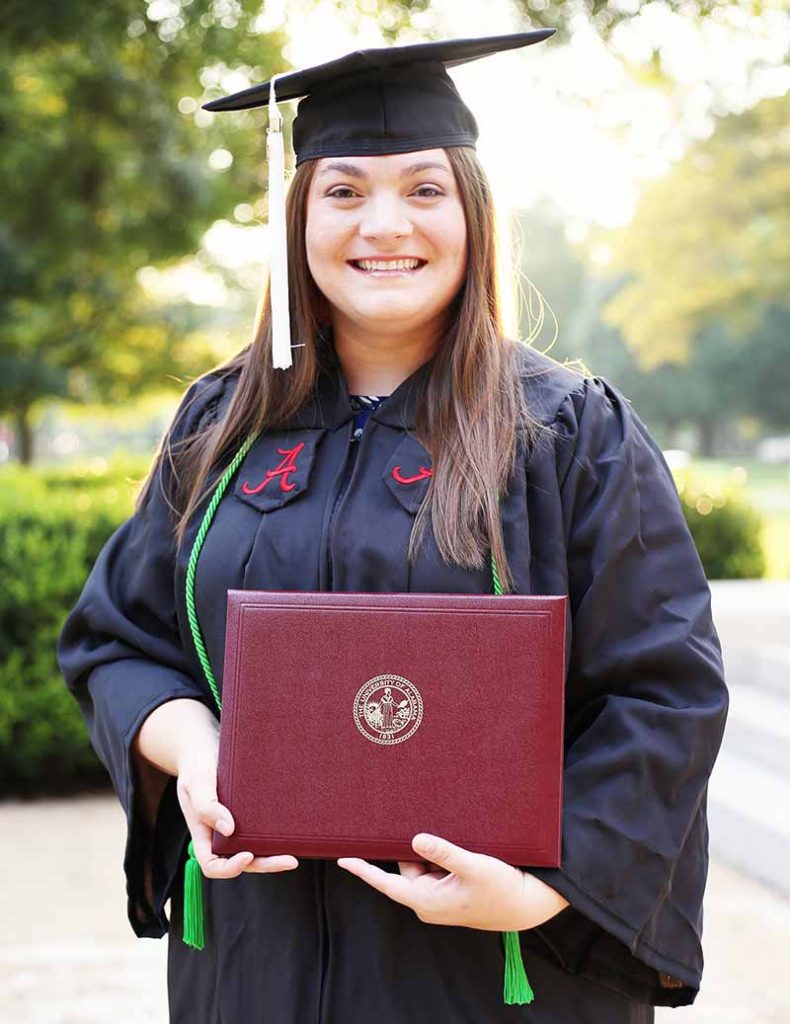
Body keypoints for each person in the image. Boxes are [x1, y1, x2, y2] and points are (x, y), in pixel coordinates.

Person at [57, 31, 729, 1024]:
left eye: (423, 189)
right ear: (298, 218)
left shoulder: (566, 433)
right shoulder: (221, 426)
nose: (384, 224)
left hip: (495, 978)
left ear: (473, 214)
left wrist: (547, 886)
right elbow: (119, 641)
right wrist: (198, 753)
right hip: (256, 970)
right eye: (343, 191)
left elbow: (665, 690)